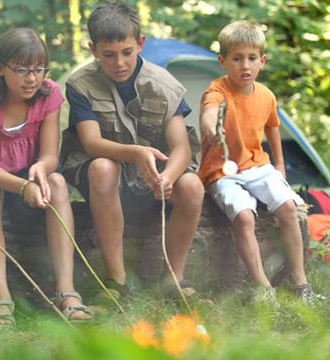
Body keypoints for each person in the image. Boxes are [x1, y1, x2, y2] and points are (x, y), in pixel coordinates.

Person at [59, 0, 204, 303]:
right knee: (102, 166)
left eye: (126, 52)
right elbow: (91, 143)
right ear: (93, 49)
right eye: (109, 55)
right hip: (105, 180)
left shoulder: (165, 86)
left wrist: (168, 177)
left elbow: (180, 148)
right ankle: (116, 281)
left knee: (191, 185)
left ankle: (173, 279)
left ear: (140, 44)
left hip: (152, 180)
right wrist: (137, 152)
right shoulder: (80, 84)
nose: (119, 62)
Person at [0, 27, 93, 325]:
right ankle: (1, 298)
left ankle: (66, 291)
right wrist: (23, 186)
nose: (32, 78)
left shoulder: (49, 93)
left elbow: (50, 156)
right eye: (23, 70)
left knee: (56, 183)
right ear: (1, 68)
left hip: (25, 174)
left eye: (39, 69)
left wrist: (40, 170)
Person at [198, 20, 318, 305]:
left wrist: (279, 164)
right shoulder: (217, 91)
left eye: (252, 58)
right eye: (237, 58)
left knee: (289, 207)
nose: (245, 65)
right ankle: (263, 287)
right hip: (222, 171)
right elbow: (208, 111)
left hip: (258, 165)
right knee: (244, 216)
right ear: (223, 61)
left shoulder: (266, 95)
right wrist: (210, 127)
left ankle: (299, 280)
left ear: (262, 61)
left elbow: (272, 127)